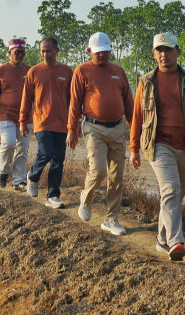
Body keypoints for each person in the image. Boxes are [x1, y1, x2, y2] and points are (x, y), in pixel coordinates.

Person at [129, 32, 185, 261]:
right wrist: (133, 148)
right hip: (159, 145)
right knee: (170, 190)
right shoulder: (146, 82)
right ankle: (176, 241)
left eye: (168, 50)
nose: (164, 55)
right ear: (154, 54)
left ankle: (161, 238)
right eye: (159, 50)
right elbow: (137, 116)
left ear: (177, 52)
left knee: (176, 195)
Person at [67, 32, 134, 236]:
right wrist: (71, 130)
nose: (103, 56)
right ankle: (85, 200)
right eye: (98, 53)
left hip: (118, 128)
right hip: (93, 127)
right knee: (98, 171)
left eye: (106, 52)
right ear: (89, 51)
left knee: (116, 177)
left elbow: (129, 102)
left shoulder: (118, 71)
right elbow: (75, 103)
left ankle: (111, 219)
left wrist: (135, 131)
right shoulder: (82, 71)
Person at [20, 38, 73, 208]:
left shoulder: (66, 71)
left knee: (58, 160)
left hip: (62, 123)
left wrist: (74, 123)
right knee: (46, 152)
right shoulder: (34, 72)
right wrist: (22, 121)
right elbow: (26, 99)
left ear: (57, 50)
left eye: (49, 51)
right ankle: (33, 176)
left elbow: (73, 99)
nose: (45, 54)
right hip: (42, 121)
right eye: (42, 51)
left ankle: (53, 195)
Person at [0, 38, 32, 190]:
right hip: (5, 114)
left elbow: (35, 95)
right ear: (9, 53)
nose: (19, 55)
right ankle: (3, 172)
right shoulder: (1, 70)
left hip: (26, 116)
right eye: (16, 52)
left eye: (22, 52)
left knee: (23, 148)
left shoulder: (30, 71)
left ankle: (18, 180)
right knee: (9, 143)